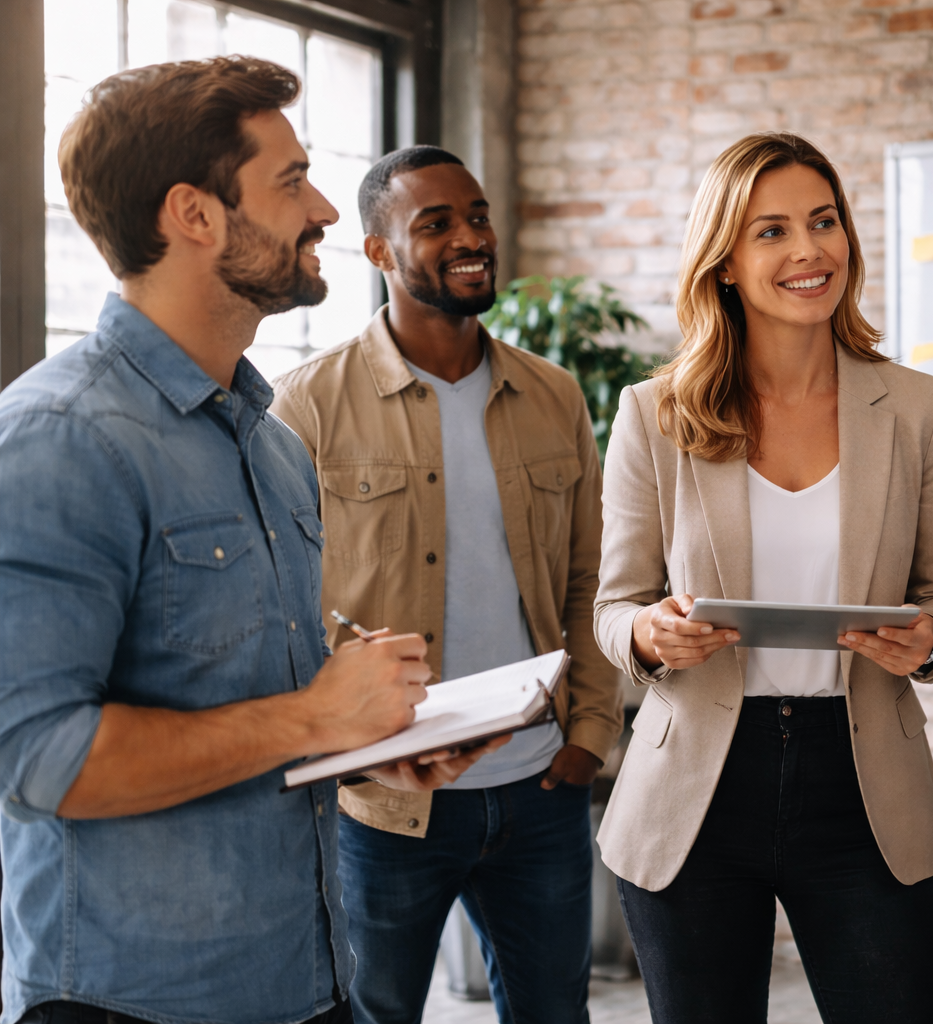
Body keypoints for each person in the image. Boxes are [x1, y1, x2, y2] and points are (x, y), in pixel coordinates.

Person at [0, 58, 504, 1024]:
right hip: (134, 1002)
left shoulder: (270, 445)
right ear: (194, 214)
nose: (320, 207)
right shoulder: (61, 437)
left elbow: (249, 709)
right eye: (289, 181)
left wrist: (369, 742)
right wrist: (318, 721)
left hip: (306, 980)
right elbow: (37, 758)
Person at [591, 132, 933, 1024]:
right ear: (724, 259)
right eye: (772, 231)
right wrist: (651, 633)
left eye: (824, 221)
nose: (809, 251)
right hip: (696, 788)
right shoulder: (655, 413)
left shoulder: (918, 409)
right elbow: (613, 605)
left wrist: (929, 638)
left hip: (863, 776)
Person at [269, 146, 619, 1024]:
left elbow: (591, 575)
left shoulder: (554, 396)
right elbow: (280, 610)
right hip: (385, 809)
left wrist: (589, 730)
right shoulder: (306, 405)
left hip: (541, 788)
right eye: (435, 225)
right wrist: (335, 761)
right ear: (379, 253)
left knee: (555, 1012)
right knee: (372, 1012)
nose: (471, 238)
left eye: (477, 216)